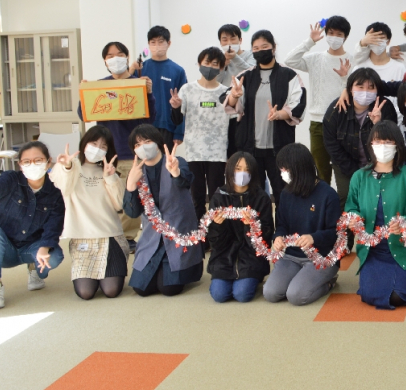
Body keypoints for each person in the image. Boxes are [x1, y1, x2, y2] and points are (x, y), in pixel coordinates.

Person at [77, 40, 156, 248]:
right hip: (105, 152)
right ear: (105, 61)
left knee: (132, 196)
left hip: (131, 152)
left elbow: (150, 118)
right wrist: (83, 95)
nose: (115, 59)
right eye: (110, 56)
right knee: (106, 196)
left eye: (120, 54)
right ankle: (108, 235)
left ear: (127, 58)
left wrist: (149, 94)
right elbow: (83, 115)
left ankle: (127, 237)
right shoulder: (99, 86)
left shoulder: (138, 84)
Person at [344, 120, 406, 309]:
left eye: (388, 142)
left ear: (398, 145)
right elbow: (351, 207)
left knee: (398, 297)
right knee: (368, 295)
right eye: (378, 141)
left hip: (403, 249)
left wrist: (405, 223)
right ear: (370, 145)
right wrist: (354, 218)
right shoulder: (359, 176)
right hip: (372, 250)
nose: (382, 146)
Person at [0, 141, 65, 310]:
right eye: (27, 162)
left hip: (32, 248)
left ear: (48, 162)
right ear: (20, 165)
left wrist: (44, 248)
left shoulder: (55, 194)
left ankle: (34, 269)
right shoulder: (12, 179)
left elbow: (54, 227)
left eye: (38, 160)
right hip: (5, 248)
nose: (32, 165)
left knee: (55, 255)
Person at [223, 29, 307, 207]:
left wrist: (280, 114)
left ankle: (283, 225)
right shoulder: (245, 76)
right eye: (256, 48)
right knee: (254, 196)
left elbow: (298, 103)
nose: (260, 51)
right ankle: (258, 225)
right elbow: (229, 102)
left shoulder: (289, 75)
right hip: (250, 148)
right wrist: (234, 96)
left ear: (274, 47)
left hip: (280, 148)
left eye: (264, 46)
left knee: (284, 193)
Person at [49, 127, 129, 300]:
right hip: (82, 239)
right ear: (84, 144)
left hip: (110, 237)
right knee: (86, 293)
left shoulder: (109, 171)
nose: (97, 149)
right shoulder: (70, 167)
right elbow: (62, 188)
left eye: (103, 146)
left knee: (111, 291)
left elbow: (119, 205)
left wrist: (110, 178)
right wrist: (67, 167)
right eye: (94, 143)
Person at [123, 125, 202, 297]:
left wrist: (176, 172)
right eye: (137, 144)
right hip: (152, 236)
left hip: (178, 233)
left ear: (158, 142)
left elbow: (186, 181)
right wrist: (130, 186)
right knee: (141, 289)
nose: (143, 147)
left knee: (168, 288)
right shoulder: (137, 172)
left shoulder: (176, 161)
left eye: (147, 141)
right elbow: (133, 213)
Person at [263, 144, 341, 306]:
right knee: (271, 293)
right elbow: (282, 225)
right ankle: (301, 277)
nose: (282, 173)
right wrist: (278, 237)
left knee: (296, 296)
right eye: (281, 169)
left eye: (285, 169)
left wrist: (314, 238)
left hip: (321, 256)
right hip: (291, 256)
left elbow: (337, 234)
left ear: (299, 168)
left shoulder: (328, 195)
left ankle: (329, 283)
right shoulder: (286, 194)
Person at [170, 46, 234, 231]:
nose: (210, 67)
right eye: (207, 62)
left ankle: (216, 233)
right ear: (199, 64)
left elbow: (234, 121)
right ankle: (198, 234)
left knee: (216, 195)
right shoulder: (187, 89)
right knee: (196, 196)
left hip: (217, 153)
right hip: (194, 152)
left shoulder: (226, 92)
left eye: (215, 64)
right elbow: (177, 120)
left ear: (221, 68)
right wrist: (175, 107)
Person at [283, 17, 353, 185]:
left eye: (339, 34)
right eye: (331, 33)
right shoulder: (316, 59)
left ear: (345, 37)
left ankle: (345, 201)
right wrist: (310, 42)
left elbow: (355, 90)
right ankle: (323, 199)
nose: (334, 37)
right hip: (318, 122)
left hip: (343, 122)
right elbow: (289, 60)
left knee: (344, 167)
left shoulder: (352, 60)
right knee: (320, 168)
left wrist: (345, 79)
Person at [323, 68, 398, 205]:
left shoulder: (385, 107)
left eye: (371, 87)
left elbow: (392, 140)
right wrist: (355, 172)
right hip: (345, 164)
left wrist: (378, 124)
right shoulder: (336, 109)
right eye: (360, 87)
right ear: (350, 89)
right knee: (347, 197)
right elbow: (331, 144)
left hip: (380, 163)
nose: (365, 91)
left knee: (379, 199)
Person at [206, 151, 273, 303]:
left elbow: (267, 237)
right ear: (229, 170)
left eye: (247, 170)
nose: (242, 173)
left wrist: (252, 227)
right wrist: (218, 226)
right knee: (219, 295)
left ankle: (253, 278)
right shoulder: (219, 197)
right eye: (238, 169)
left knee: (242, 295)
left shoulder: (261, 198)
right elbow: (215, 242)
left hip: (251, 257)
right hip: (223, 256)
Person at [139, 25, 187, 150]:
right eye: (153, 42)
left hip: (167, 126)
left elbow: (183, 102)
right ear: (148, 44)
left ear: (168, 43)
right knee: (145, 160)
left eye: (161, 42)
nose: (157, 45)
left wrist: (179, 132)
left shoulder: (178, 71)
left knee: (166, 161)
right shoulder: (141, 69)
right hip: (144, 125)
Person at [216, 23, 257, 88]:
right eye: (225, 40)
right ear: (220, 42)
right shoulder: (219, 58)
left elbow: (251, 73)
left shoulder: (251, 54)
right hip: (226, 93)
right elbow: (215, 82)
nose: (229, 43)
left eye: (233, 39)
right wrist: (222, 66)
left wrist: (235, 57)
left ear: (240, 40)